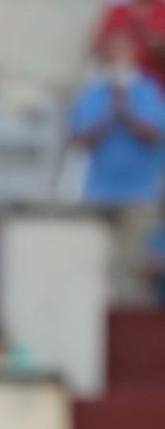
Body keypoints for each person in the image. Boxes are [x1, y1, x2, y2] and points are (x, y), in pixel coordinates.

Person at [70, 30, 165, 303]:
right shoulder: (93, 93)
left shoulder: (147, 91)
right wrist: (107, 115)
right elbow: (79, 139)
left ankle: (132, 312)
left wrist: (125, 113)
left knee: (134, 263)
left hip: (139, 193)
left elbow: (153, 134)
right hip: (99, 191)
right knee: (98, 264)